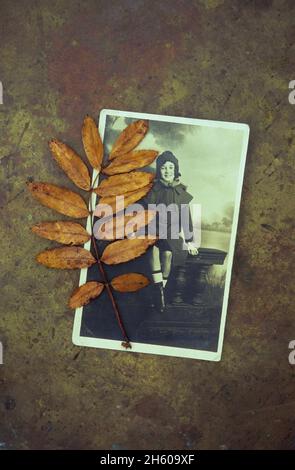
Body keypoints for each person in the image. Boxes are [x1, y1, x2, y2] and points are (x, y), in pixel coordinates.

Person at [142, 151, 198, 312]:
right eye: (164, 168)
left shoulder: (180, 192)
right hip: (151, 230)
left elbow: (185, 218)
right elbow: (143, 213)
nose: (167, 171)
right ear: (159, 170)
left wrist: (189, 241)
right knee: (152, 249)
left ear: (175, 170)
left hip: (171, 233)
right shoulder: (153, 189)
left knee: (168, 254)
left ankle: (159, 291)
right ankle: (160, 295)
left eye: (171, 167)